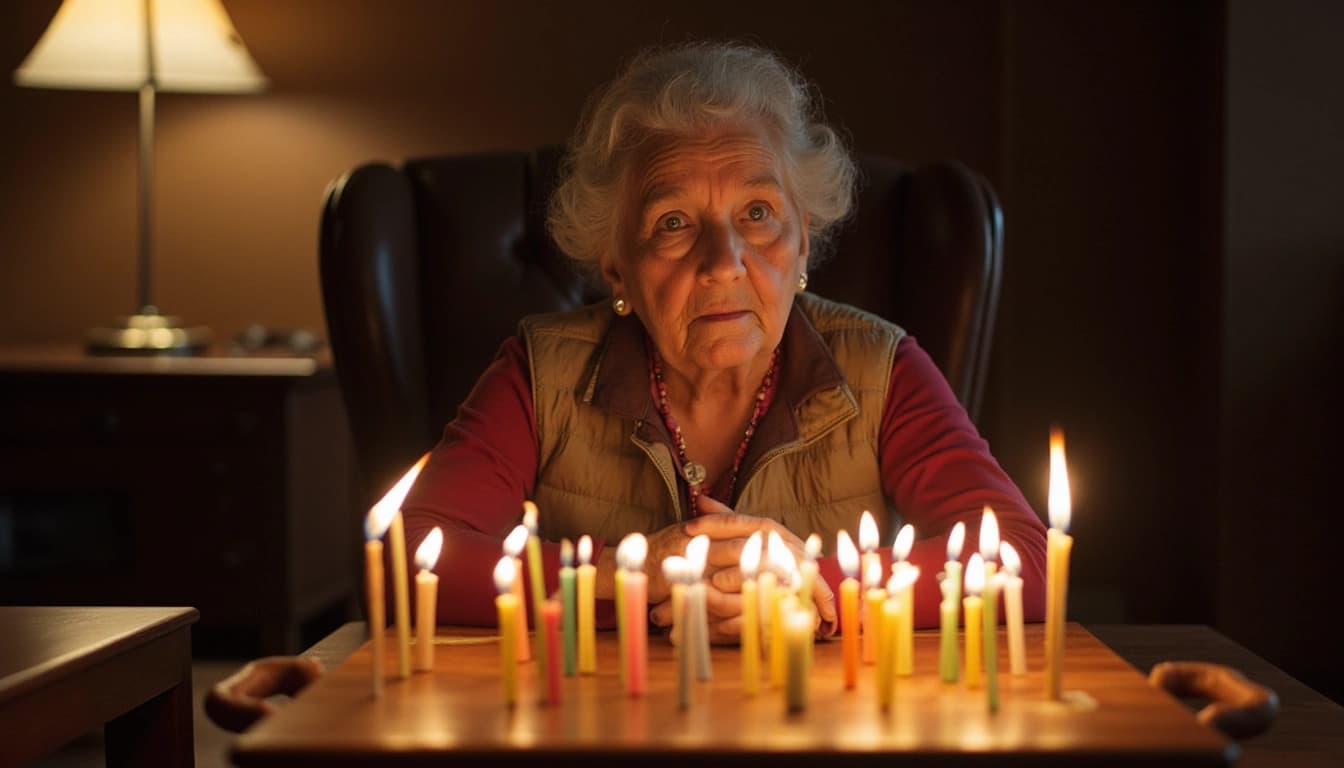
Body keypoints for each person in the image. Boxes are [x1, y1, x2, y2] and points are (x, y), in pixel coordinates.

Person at [208, 40, 1046, 729]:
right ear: (616, 263)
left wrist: (816, 591)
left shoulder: (884, 366)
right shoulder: (540, 368)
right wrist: (627, 576)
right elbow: (410, 552)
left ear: (803, 245)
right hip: (589, 736)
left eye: (758, 213)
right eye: (674, 223)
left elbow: (1028, 558)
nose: (725, 261)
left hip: (825, 732)